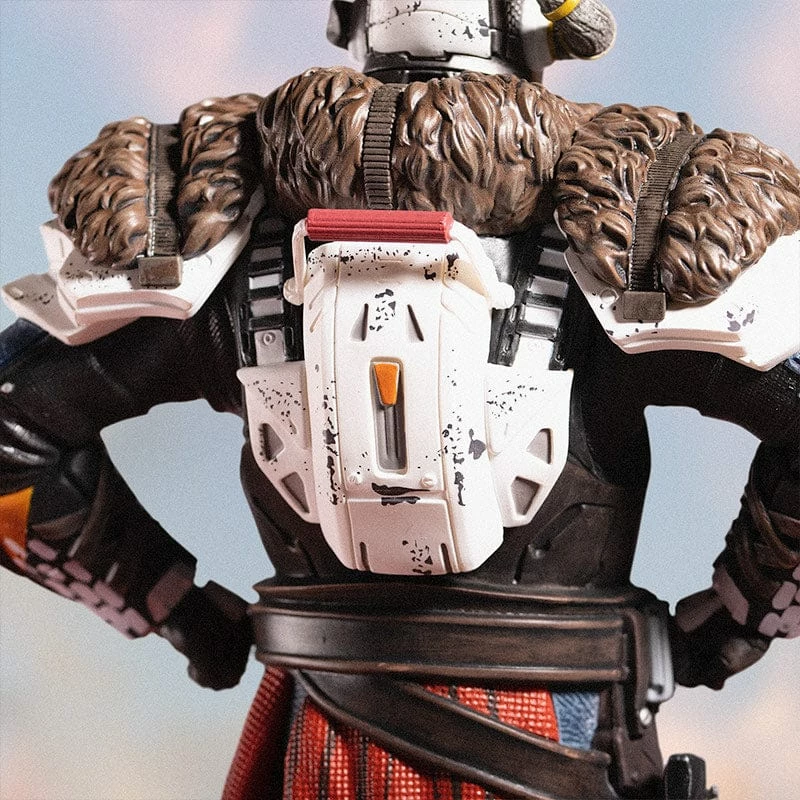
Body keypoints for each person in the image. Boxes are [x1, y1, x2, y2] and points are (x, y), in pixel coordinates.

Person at [1, 2, 798, 798]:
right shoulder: (644, 214)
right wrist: (735, 619)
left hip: (325, 734)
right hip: (561, 728)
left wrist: (176, 609)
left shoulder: (214, 211)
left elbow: (12, 431)